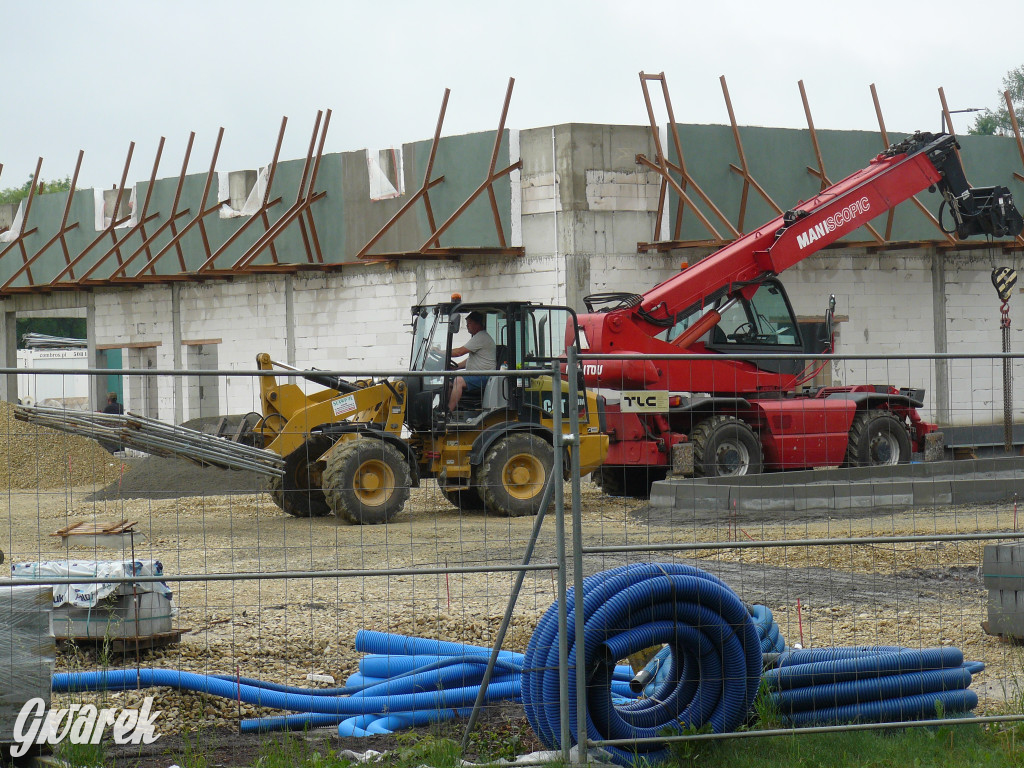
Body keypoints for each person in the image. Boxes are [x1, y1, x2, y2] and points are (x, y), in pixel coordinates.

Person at [447, 311, 496, 412]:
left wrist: (442, 352)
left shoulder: (481, 337)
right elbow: (472, 359)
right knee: (448, 381)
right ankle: (444, 408)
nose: (467, 326)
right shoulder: (478, 337)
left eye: (469, 323)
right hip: (477, 374)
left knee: (458, 381)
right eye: (467, 323)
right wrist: (456, 367)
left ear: (478, 324)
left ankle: (448, 412)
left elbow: (459, 352)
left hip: (485, 376)